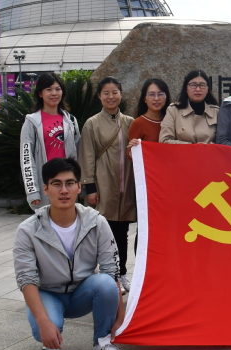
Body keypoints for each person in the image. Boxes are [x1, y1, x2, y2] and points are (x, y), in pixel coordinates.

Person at [13, 157, 128, 350]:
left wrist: (120, 317)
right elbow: (26, 279)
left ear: (79, 187)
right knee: (42, 331)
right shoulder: (28, 230)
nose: (64, 190)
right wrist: (44, 322)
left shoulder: (97, 222)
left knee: (105, 283)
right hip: (48, 293)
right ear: (46, 189)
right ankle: (50, 336)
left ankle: (102, 343)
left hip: (82, 293)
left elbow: (112, 270)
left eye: (69, 183)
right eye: (56, 184)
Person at [78, 76, 136, 292]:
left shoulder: (130, 122)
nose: (111, 97)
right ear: (99, 96)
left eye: (114, 92)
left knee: (122, 234)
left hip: (125, 187)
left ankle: (122, 274)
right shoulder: (92, 124)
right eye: (106, 93)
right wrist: (90, 188)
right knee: (103, 233)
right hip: (103, 187)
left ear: (121, 94)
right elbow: (86, 156)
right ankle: (107, 275)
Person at [20, 72, 80, 210]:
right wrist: (33, 191)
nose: (54, 93)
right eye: (49, 89)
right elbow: (26, 158)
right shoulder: (32, 122)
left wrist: (79, 187)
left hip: (68, 184)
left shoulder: (71, 121)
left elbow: (79, 153)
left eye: (58, 89)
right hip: (45, 185)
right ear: (40, 93)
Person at [160, 70, 220, 144]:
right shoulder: (173, 110)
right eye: (193, 85)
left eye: (202, 85)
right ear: (186, 88)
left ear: (208, 89)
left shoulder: (216, 112)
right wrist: (193, 147)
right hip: (181, 152)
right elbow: (164, 140)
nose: (198, 89)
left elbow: (223, 141)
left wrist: (211, 146)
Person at [129, 78, 171, 144]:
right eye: (151, 94)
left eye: (160, 94)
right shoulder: (138, 123)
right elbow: (131, 149)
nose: (156, 98)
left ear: (166, 97)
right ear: (145, 99)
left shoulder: (171, 121)